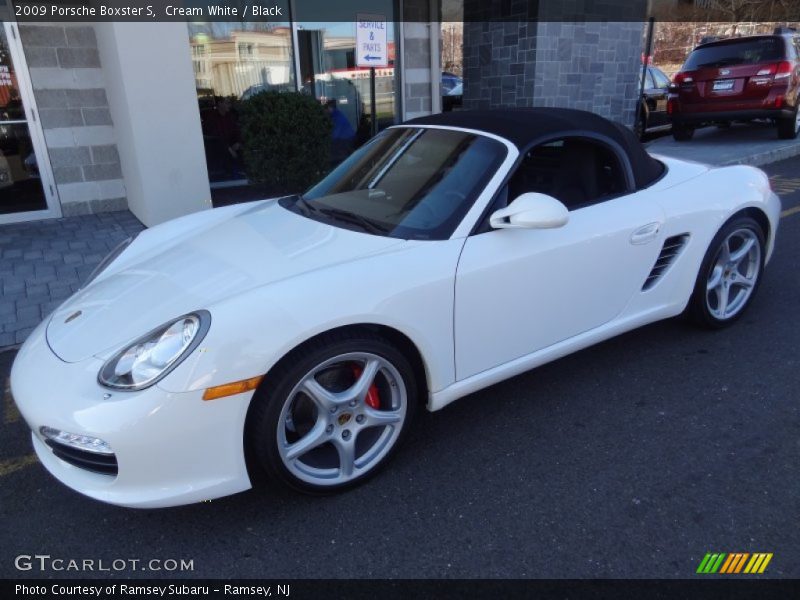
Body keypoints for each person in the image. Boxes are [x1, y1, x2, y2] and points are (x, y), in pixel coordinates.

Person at [325, 99, 355, 164]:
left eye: (326, 109)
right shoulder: (336, 114)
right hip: (348, 138)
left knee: (340, 158)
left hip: (346, 139)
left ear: (330, 108)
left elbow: (335, 135)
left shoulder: (336, 117)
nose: (325, 111)